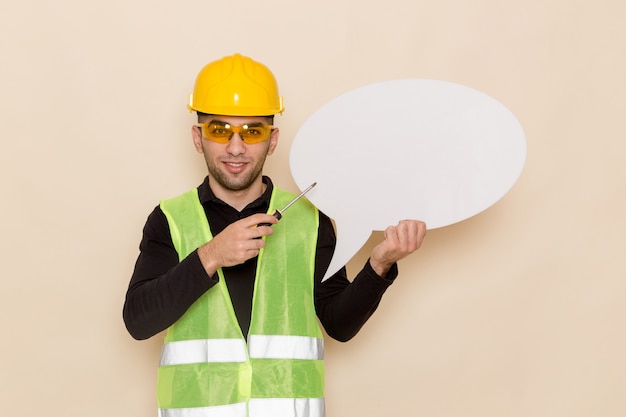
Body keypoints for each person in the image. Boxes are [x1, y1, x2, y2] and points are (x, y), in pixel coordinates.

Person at [123, 52, 427, 417]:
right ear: (198, 137)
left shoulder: (309, 220)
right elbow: (139, 322)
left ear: (273, 139)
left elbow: (339, 325)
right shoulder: (169, 219)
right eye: (220, 130)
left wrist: (379, 266)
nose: (236, 148)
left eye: (252, 131)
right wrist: (212, 255)